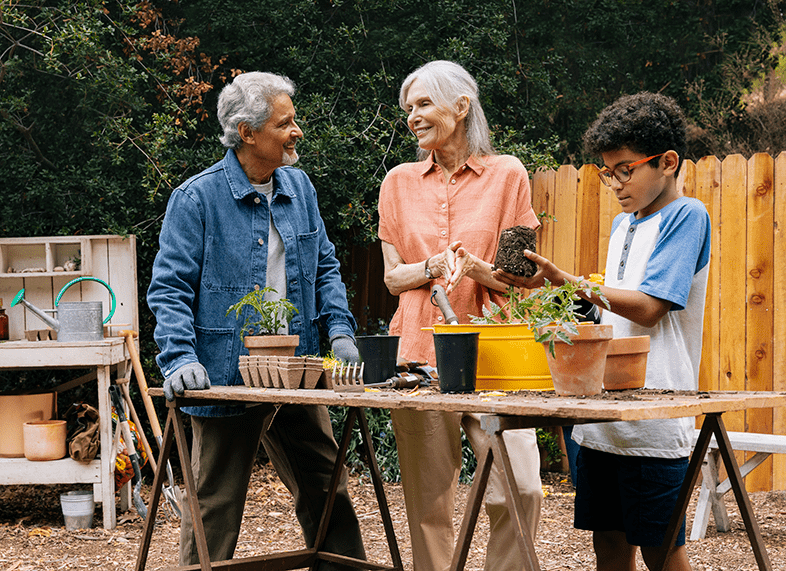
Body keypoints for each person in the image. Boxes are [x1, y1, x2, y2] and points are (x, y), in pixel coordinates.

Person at [147, 71, 366, 569]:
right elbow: (170, 288)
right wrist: (178, 356)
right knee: (215, 506)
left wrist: (339, 329)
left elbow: (324, 265)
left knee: (327, 486)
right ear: (248, 133)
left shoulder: (299, 186)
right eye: (285, 123)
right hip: (224, 371)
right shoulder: (197, 199)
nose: (297, 131)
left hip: (296, 368)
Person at [494, 92, 711, 571]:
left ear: (668, 162)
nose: (614, 182)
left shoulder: (687, 216)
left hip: (656, 418)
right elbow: (610, 312)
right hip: (602, 418)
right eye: (606, 172)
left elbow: (651, 308)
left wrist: (566, 280)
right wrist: (551, 295)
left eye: (625, 169)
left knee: (661, 551)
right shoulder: (621, 225)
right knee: (608, 545)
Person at [377, 60, 543, 571]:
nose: (412, 117)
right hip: (418, 353)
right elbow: (391, 277)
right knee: (429, 502)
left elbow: (523, 277)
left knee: (522, 487)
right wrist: (429, 265)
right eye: (408, 109)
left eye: (423, 104)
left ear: (461, 106)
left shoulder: (509, 174)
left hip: (494, 355)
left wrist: (475, 266)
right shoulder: (398, 182)